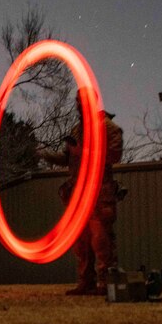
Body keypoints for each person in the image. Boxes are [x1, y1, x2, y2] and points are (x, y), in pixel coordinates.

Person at [36, 106, 125, 296]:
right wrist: (45, 154)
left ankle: (106, 283)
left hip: (99, 192)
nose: (78, 105)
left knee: (101, 240)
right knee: (81, 242)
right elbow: (68, 158)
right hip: (79, 193)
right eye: (76, 101)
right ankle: (86, 282)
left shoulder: (108, 127)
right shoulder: (78, 129)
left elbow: (115, 155)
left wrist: (82, 151)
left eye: (81, 100)